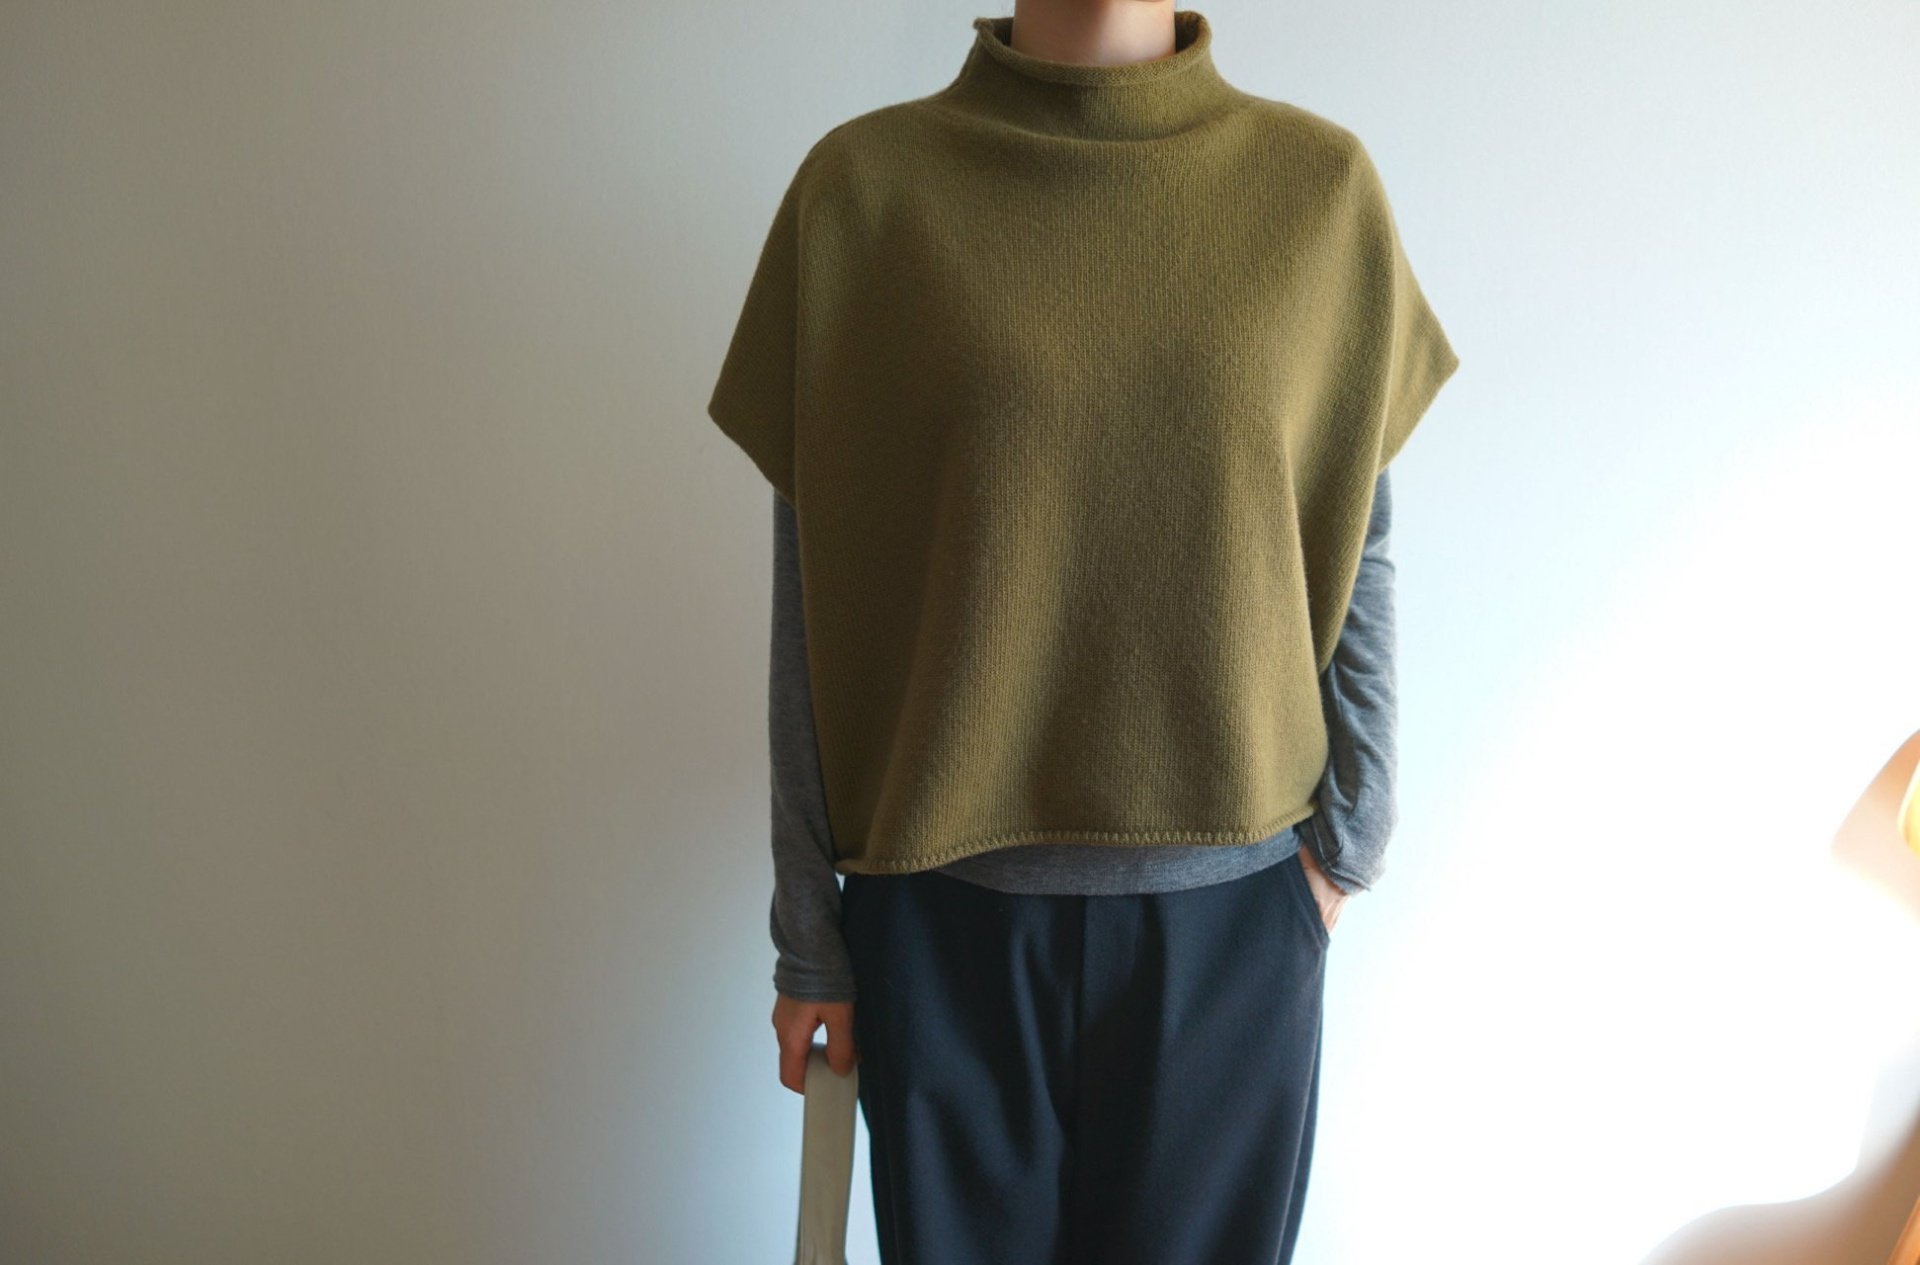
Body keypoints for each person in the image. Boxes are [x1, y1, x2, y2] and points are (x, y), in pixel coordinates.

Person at [705, 6, 1459, 1261]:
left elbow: (1355, 537)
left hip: (1234, 924)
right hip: (941, 926)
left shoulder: (1317, 191)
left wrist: (1348, 846)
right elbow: (814, 594)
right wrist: (811, 937)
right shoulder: (865, 196)